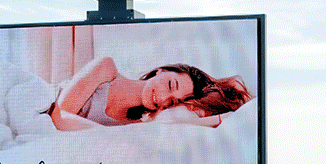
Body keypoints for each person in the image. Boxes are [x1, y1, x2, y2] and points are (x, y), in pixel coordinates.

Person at [43, 57, 251, 131]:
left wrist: (220, 118)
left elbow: (179, 124)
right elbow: (59, 116)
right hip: (41, 102)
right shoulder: (106, 68)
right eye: (170, 85)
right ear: (162, 70)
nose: (161, 98)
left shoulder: (139, 125)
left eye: (171, 102)